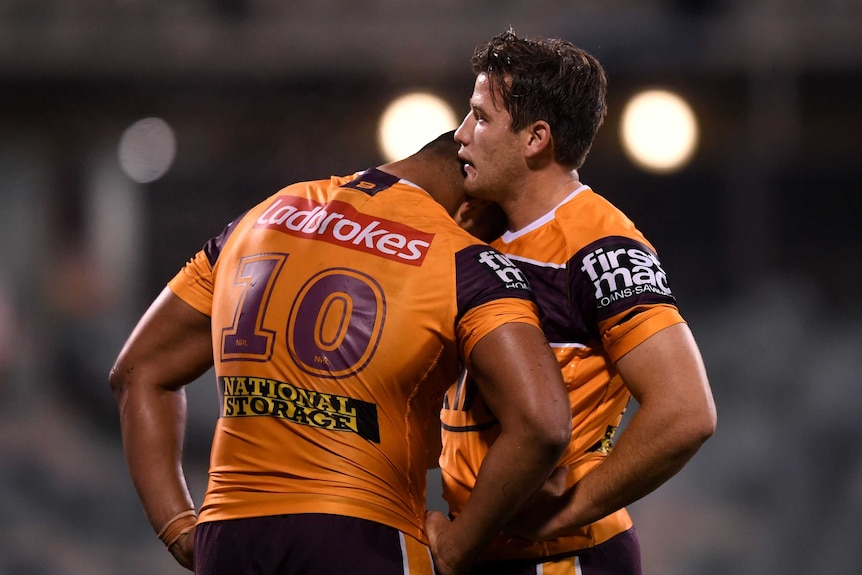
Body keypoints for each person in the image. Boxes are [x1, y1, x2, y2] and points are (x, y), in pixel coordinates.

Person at [109, 131, 572, 575]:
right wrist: (460, 545)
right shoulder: (463, 260)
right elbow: (543, 424)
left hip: (230, 534)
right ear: (472, 206)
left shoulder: (260, 217)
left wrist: (177, 526)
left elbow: (138, 371)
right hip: (362, 533)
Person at [430, 30, 718, 574]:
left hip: (562, 557)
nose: (460, 135)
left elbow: (686, 412)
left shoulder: (600, 247)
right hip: (482, 547)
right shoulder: (481, 233)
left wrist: (570, 512)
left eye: (480, 118)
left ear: (536, 138)